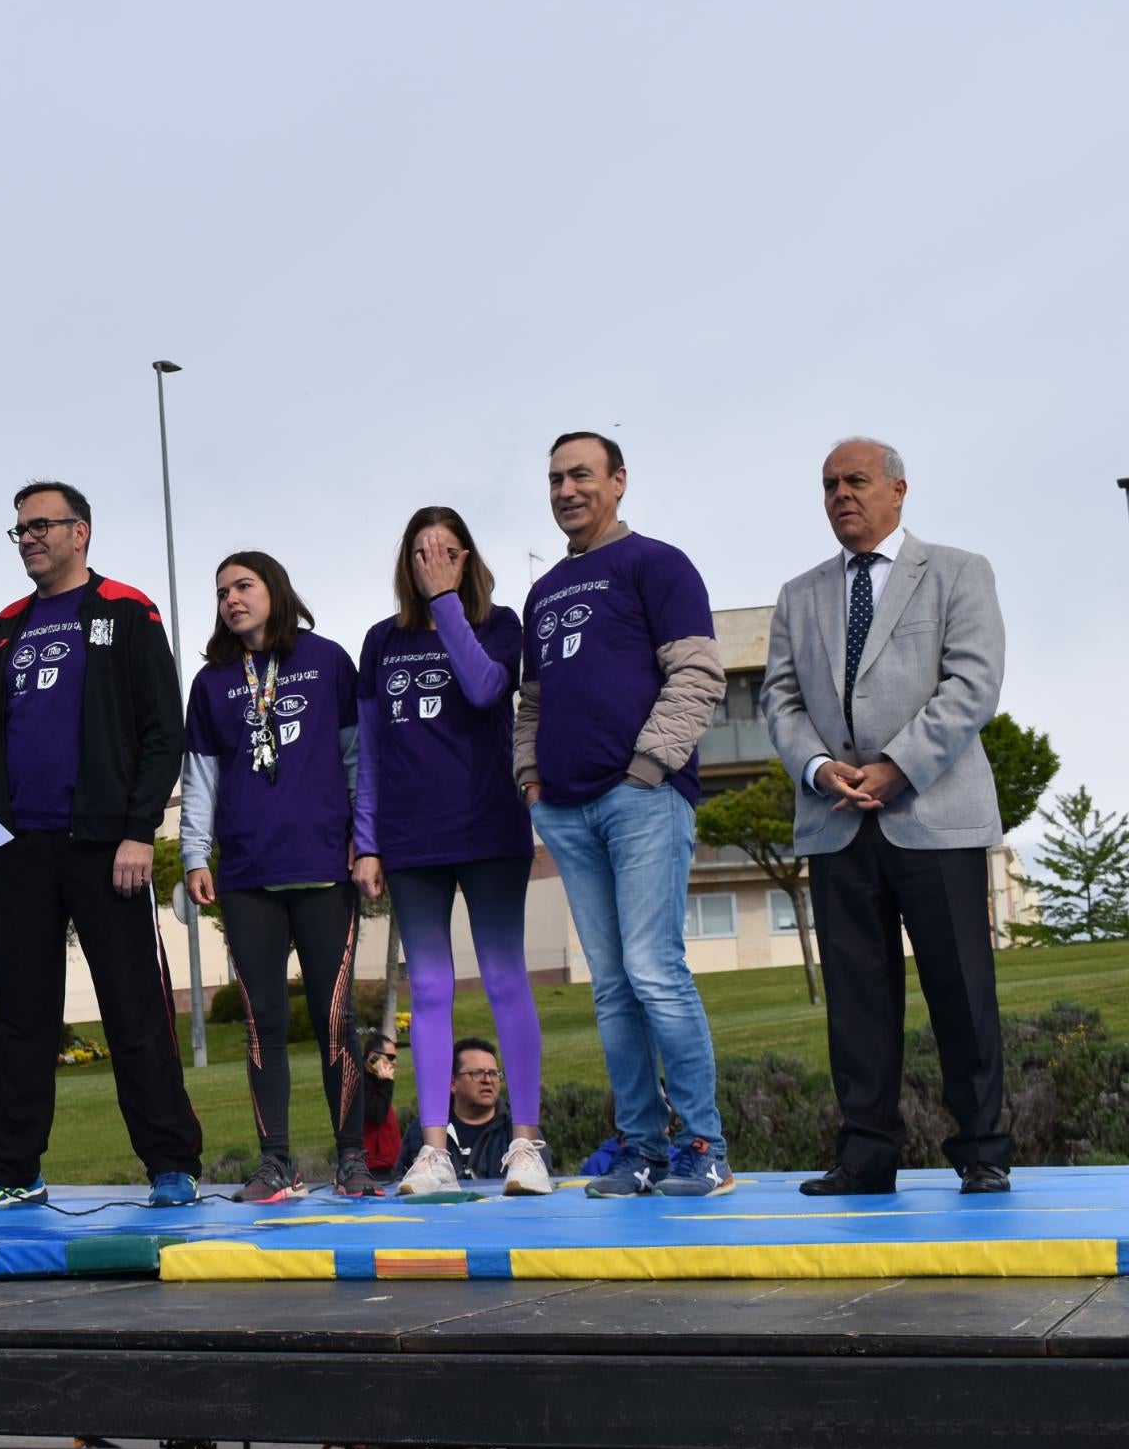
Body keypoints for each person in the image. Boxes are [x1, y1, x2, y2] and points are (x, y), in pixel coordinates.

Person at [762, 438, 1012, 1196]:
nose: (842, 494)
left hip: (933, 814)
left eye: (857, 481)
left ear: (899, 491)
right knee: (857, 1002)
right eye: (830, 484)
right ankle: (867, 1156)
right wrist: (815, 767)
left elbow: (973, 684)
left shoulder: (961, 573)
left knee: (962, 992)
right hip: (836, 821)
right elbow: (780, 699)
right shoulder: (797, 595)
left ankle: (983, 1152)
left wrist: (896, 766)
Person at [0, 481, 203, 1210]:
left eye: (42, 526)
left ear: (80, 532)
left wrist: (137, 831)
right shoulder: (6, 625)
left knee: (133, 1008)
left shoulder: (126, 609)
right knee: (22, 1014)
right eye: (19, 529)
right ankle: (10, 1170)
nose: (28, 537)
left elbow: (164, 732)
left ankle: (170, 1165)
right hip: (19, 848)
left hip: (104, 845)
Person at [516, 433, 732, 1198]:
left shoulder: (657, 564)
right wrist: (532, 779)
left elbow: (699, 673)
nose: (566, 489)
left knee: (654, 972)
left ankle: (703, 1147)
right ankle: (640, 1149)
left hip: (640, 799)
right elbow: (533, 702)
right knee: (611, 985)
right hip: (568, 813)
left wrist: (650, 765)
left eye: (581, 474)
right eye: (554, 479)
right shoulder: (541, 595)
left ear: (618, 482)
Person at [354, 508, 549, 1198]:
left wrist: (446, 605)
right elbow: (371, 752)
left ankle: (527, 1144)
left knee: (504, 978)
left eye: (446, 550)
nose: (432, 559)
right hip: (412, 840)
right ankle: (433, 1152)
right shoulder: (381, 642)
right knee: (429, 990)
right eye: (420, 552)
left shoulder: (499, 627)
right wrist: (366, 841)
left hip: (489, 827)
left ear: (466, 558)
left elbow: (486, 688)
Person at [180, 550, 369, 1201]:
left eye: (244, 586)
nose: (232, 598)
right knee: (263, 1021)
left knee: (334, 1019)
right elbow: (200, 778)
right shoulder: (212, 684)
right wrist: (195, 855)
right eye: (222, 590)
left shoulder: (329, 661)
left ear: (275, 590)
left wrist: (364, 841)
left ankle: (352, 1160)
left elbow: (356, 756)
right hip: (247, 875)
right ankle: (275, 1164)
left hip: (323, 868)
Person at [397, 1039, 554, 1183]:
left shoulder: (518, 1130)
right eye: (476, 1073)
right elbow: (401, 1181)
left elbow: (542, 1182)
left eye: (494, 1073)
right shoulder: (421, 1131)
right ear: (452, 1082)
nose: (488, 1080)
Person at [361, 1031, 403, 1179]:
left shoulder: (376, 1080)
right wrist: (386, 1084)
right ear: (373, 1056)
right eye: (390, 1057)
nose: (394, 1062)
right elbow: (376, 1115)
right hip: (372, 1169)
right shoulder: (359, 1081)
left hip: (389, 1166)